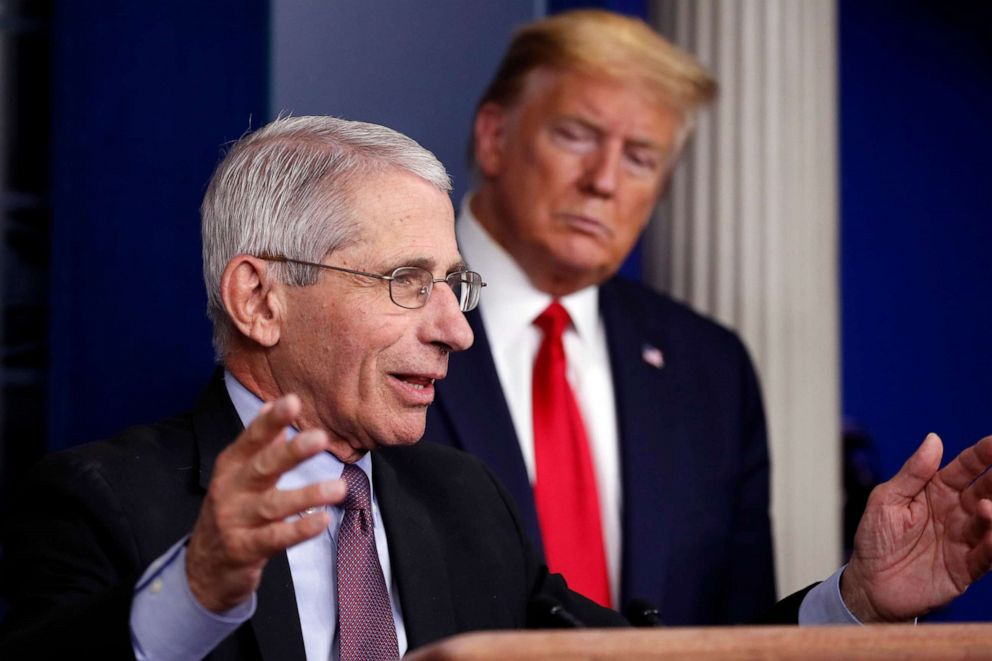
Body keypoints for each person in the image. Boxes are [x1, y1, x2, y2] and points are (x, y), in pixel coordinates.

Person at [1, 116, 991, 661]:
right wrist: (199, 592)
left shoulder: (458, 499)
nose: (455, 328)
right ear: (260, 297)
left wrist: (853, 602)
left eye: (456, 285)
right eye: (407, 284)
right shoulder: (97, 501)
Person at [419, 7, 983, 625]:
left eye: (639, 157)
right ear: (494, 136)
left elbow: (735, 637)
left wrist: (859, 603)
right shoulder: (386, 313)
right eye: (576, 135)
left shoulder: (709, 370)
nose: (603, 180)